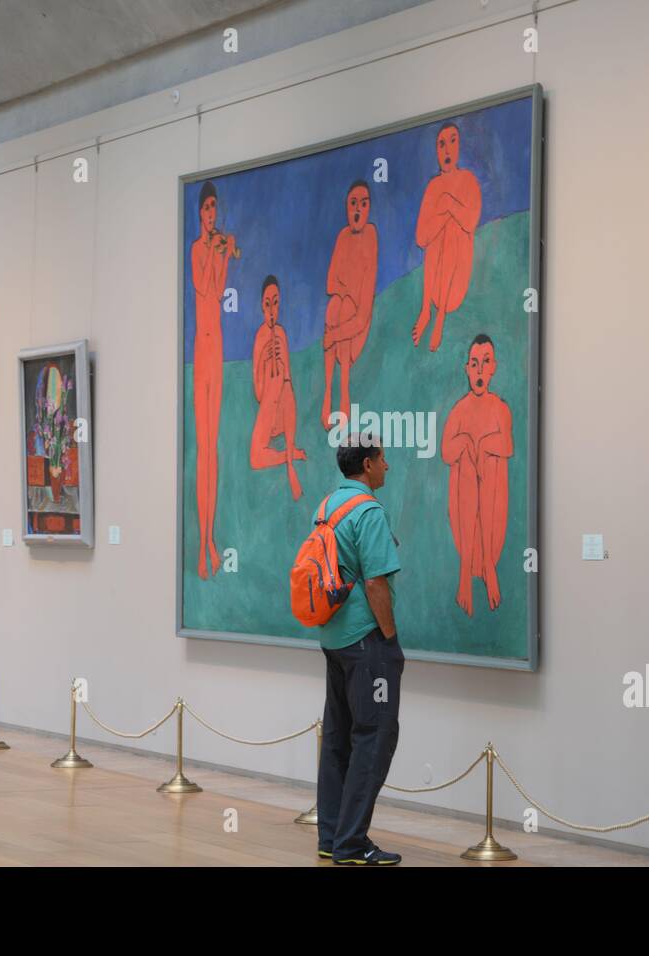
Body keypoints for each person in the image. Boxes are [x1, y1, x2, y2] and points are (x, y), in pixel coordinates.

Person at [315, 434, 404, 865]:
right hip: (368, 645)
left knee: (337, 738)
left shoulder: (327, 507)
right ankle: (352, 844)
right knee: (375, 737)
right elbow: (375, 582)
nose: (387, 466)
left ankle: (331, 837)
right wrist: (389, 640)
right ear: (367, 465)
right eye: (383, 459)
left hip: (334, 639)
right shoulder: (368, 511)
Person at [442, 334, 513, 615]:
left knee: (489, 458)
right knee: (466, 466)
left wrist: (483, 445)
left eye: (485, 363)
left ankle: (488, 567)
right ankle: (465, 577)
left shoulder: (500, 408)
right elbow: (447, 451)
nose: (479, 370)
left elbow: (507, 444)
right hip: (466, 502)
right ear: (467, 369)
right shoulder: (459, 411)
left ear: (493, 367)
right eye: (474, 363)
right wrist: (465, 445)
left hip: (492, 502)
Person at [191, 181, 238, 579]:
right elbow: (203, 285)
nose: (211, 214)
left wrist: (225, 254)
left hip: (217, 349)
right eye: (206, 208)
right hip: (201, 354)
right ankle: (202, 540)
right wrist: (215, 249)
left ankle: (209, 537)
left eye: (214, 208)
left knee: (214, 451)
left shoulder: (215, 246)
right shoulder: (195, 249)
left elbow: (219, 288)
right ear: (199, 214)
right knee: (203, 447)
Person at [412, 122, 482, 352]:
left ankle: (439, 317)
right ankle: (425, 310)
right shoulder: (433, 186)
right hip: (434, 288)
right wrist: (442, 214)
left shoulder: (469, 180)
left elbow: (470, 222)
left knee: (451, 229)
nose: (447, 150)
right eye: (441, 144)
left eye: (452, 141)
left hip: (456, 283)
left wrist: (449, 205)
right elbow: (421, 238)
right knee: (439, 232)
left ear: (459, 145)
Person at [322, 180, 378, 429]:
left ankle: (343, 390)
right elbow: (330, 283)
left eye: (363, 204)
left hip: (355, 330)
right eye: (353, 203)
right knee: (336, 304)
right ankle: (327, 395)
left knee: (343, 307)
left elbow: (362, 316)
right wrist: (345, 293)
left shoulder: (371, 236)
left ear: (368, 208)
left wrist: (333, 335)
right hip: (339, 319)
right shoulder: (343, 237)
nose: (357, 210)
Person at [250, 275, 306, 499]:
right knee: (255, 458)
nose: (272, 309)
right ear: (262, 306)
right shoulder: (259, 337)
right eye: (267, 303)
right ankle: (289, 455)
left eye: (276, 302)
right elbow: (257, 390)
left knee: (287, 386)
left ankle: (291, 466)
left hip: (284, 404)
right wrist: (265, 359)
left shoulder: (282, 333)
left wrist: (282, 370)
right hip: (268, 404)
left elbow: (289, 377)